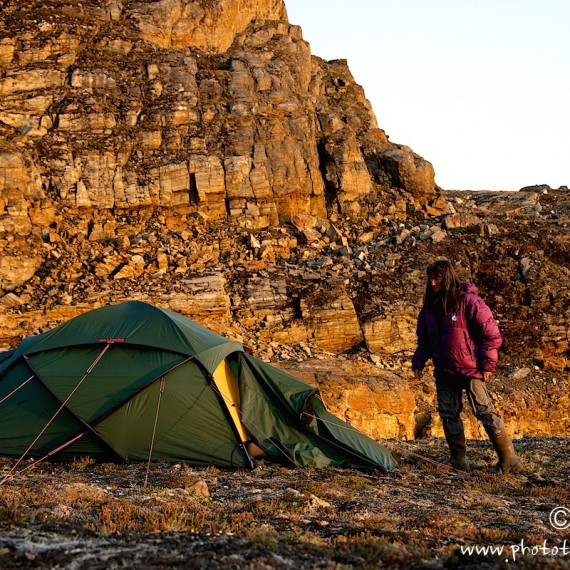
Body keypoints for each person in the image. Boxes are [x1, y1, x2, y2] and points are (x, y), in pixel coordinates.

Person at [411, 259, 523, 474]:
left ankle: (509, 460)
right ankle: (458, 461)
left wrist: (487, 365)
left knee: (484, 411)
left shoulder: (469, 302)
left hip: (471, 370)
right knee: (448, 413)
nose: (433, 283)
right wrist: (418, 361)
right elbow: (424, 340)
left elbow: (490, 335)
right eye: (431, 278)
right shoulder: (428, 309)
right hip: (444, 371)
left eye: (438, 278)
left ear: (449, 278)